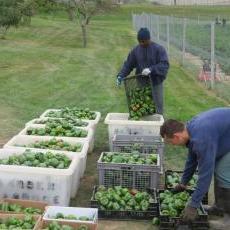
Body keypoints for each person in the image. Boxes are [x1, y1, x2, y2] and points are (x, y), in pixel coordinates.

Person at [160, 107, 230, 227]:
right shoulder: (191, 130)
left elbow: (205, 174)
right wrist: (183, 183)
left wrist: (193, 205)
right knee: (219, 168)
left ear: (177, 136)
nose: (173, 145)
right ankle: (219, 208)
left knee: (222, 173)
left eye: (171, 142)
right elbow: (191, 160)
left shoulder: (201, 138)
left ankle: (228, 219)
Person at [116, 27, 169, 115]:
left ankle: (158, 126)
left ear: (149, 39)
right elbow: (128, 64)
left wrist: (151, 69)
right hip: (141, 83)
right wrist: (121, 75)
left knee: (157, 107)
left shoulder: (159, 49)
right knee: (143, 106)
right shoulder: (136, 50)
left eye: (144, 41)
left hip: (156, 83)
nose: (141, 43)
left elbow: (164, 64)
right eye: (140, 41)